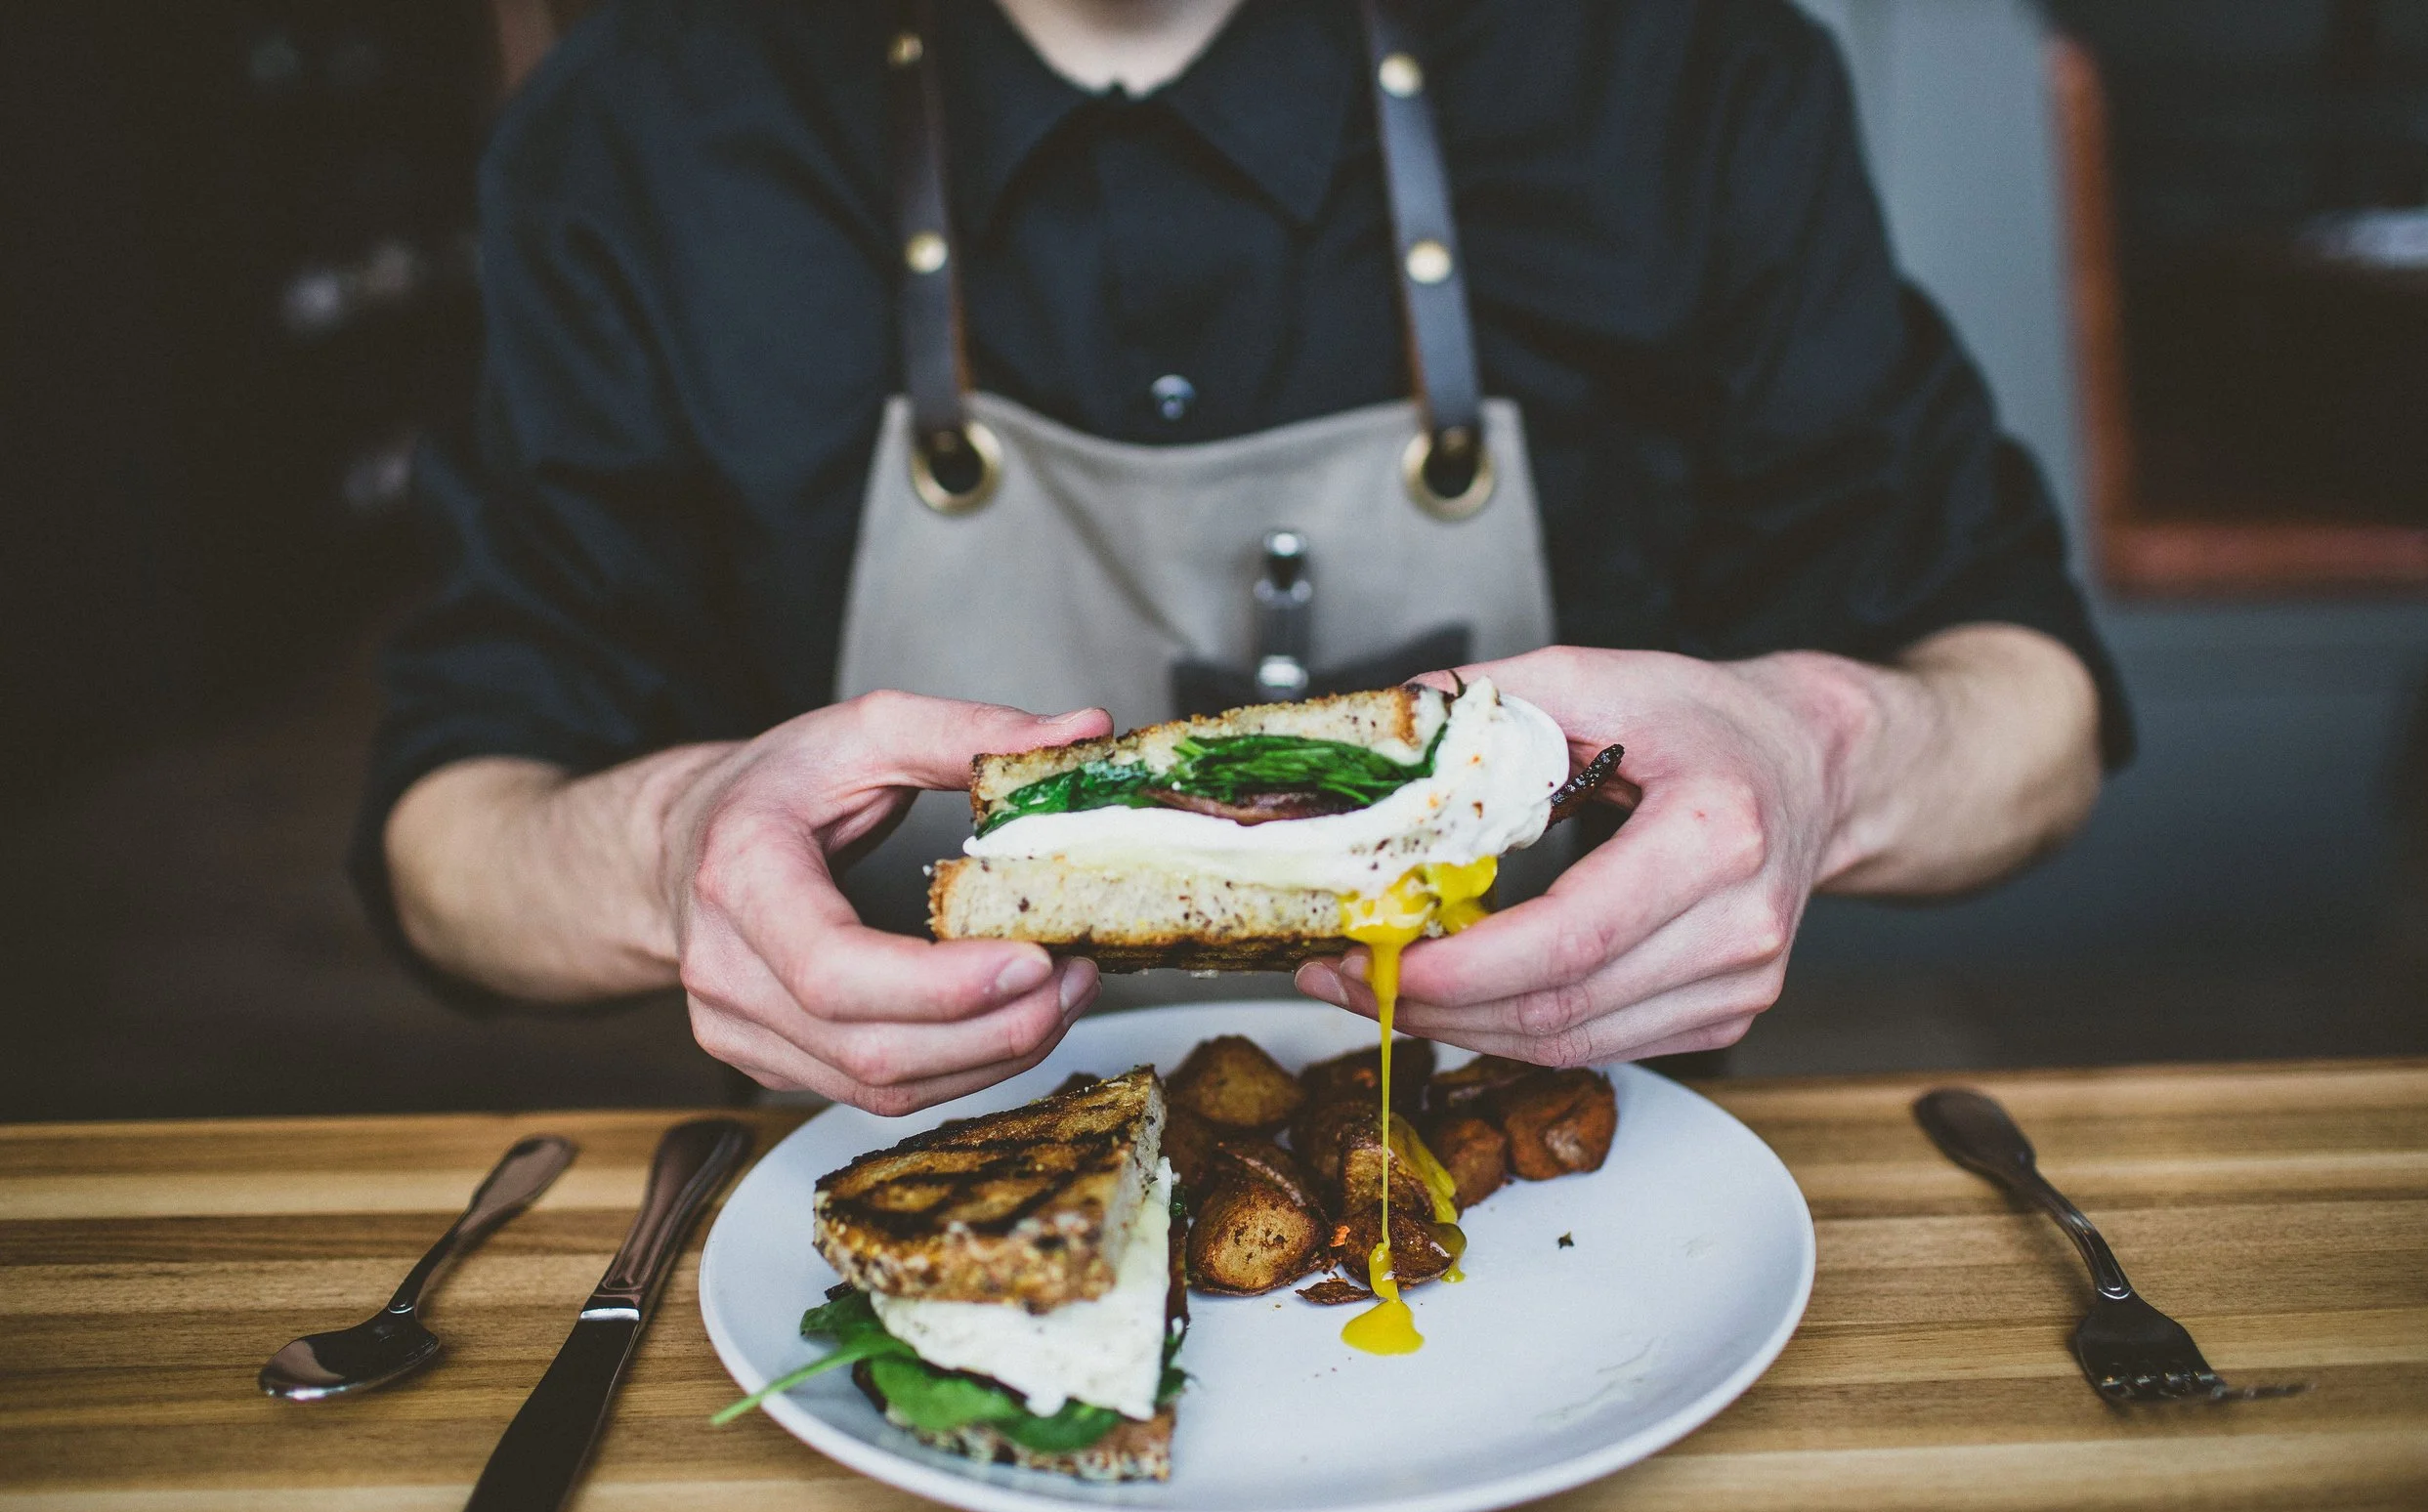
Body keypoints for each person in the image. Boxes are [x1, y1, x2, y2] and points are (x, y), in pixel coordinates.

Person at [358, 0, 2130, 1113]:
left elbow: (2030, 709)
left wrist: (1813, 752)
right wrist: (670, 849)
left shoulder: (1682, 64)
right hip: (925, 1227)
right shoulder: (638, 122)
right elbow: (453, 832)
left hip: (1577, 1223)